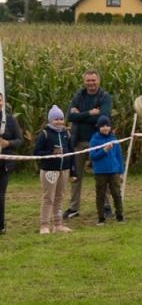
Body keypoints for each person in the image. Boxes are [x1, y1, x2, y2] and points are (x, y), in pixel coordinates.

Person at [64, 70, 112, 220]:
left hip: (98, 142)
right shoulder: (79, 95)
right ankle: (73, 208)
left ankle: (105, 206)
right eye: (88, 80)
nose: (91, 83)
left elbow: (103, 118)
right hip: (78, 142)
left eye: (93, 80)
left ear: (99, 81)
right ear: (84, 81)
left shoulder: (105, 97)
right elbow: (70, 116)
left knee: (101, 175)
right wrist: (90, 113)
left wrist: (80, 115)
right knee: (76, 176)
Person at [35, 106, 74, 235]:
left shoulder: (66, 133)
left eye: (61, 119)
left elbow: (71, 152)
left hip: (64, 170)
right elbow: (36, 152)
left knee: (59, 197)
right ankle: (44, 225)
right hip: (49, 171)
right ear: (50, 120)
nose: (59, 122)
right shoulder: (45, 134)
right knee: (48, 198)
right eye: (56, 119)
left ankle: (58, 225)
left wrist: (73, 171)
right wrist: (51, 153)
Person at [86, 115, 125, 224]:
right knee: (100, 195)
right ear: (98, 127)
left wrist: (121, 171)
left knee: (116, 193)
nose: (105, 128)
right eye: (103, 126)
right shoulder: (94, 140)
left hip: (114, 171)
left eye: (107, 125)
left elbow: (119, 156)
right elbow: (92, 156)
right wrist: (104, 150)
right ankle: (101, 217)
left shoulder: (114, 139)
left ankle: (120, 215)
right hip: (100, 172)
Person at [0, 92, 21, 235]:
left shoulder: (11, 120)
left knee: (0, 194)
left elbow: (20, 141)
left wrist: (8, 143)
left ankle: (1, 225)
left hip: (5, 164)